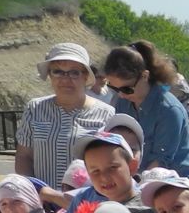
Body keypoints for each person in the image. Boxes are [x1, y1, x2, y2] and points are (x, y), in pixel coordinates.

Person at [15, 43, 115, 188]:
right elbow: (24, 156)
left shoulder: (106, 113)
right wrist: (33, 191)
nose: (65, 79)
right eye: (58, 72)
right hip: (43, 203)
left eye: (74, 72)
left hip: (86, 204)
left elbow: (110, 163)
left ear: (86, 76)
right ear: (49, 75)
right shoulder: (35, 108)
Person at [102, 40, 189, 177]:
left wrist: (133, 187)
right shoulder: (121, 103)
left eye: (126, 89)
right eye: (113, 88)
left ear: (145, 76)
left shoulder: (169, 110)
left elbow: (160, 161)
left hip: (175, 183)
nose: (121, 95)